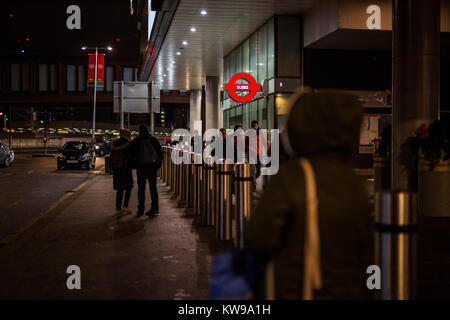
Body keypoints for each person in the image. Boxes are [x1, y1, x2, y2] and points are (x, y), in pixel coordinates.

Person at [245, 92, 373, 299]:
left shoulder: (292, 177)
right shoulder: (353, 181)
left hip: (296, 288)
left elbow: (259, 236)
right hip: (346, 289)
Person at [130, 125, 163, 217]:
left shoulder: (137, 141)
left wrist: (134, 165)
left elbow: (132, 153)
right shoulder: (153, 140)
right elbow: (160, 154)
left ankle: (141, 209)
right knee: (153, 188)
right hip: (152, 168)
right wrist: (158, 165)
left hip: (141, 168)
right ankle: (154, 208)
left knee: (141, 189)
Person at [110, 129, 133, 216]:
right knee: (128, 187)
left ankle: (118, 208)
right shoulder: (129, 143)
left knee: (120, 189)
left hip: (117, 168)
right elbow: (131, 155)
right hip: (126, 168)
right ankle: (125, 206)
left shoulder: (114, 143)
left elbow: (111, 155)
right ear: (126, 134)